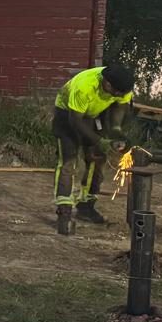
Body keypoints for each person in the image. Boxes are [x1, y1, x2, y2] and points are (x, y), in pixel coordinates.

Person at [51, 62, 136, 228]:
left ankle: (86, 206)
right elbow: (75, 121)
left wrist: (116, 130)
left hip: (92, 113)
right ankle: (64, 210)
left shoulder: (122, 87)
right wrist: (100, 141)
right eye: (115, 92)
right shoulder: (84, 86)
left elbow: (120, 105)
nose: (118, 95)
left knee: (97, 158)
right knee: (68, 160)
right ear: (107, 83)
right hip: (68, 115)